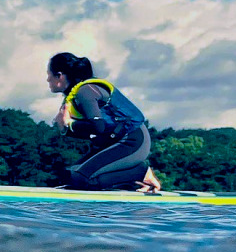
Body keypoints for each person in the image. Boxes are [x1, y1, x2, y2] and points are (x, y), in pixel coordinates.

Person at [48, 52, 161, 192]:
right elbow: (92, 132)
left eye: (49, 75)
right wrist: (66, 128)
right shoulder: (74, 96)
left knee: (80, 179)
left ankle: (140, 173)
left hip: (132, 141)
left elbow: (98, 127)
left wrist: (69, 124)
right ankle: (129, 184)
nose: (47, 79)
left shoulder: (85, 92)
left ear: (60, 76)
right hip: (115, 141)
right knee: (68, 175)